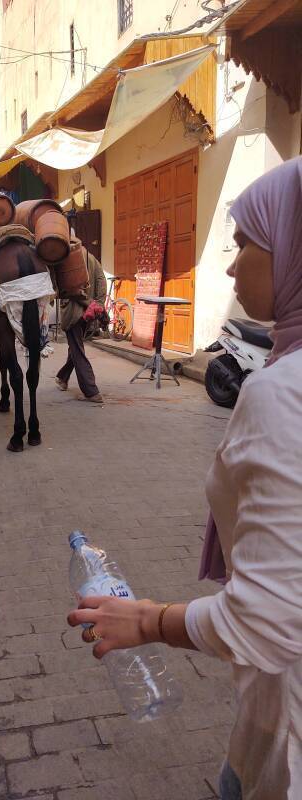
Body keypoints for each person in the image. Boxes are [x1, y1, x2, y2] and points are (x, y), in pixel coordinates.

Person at [67, 157, 302, 800]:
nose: (230, 265)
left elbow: (266, 620)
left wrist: (150, 620)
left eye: (246, 243)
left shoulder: (283, 393)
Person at [55, 247, 106, 403]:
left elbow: (68, 291)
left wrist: (89, 302)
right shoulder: (92, 259)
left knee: (77, 350)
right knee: (75, 346)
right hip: (87, 315)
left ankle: (91, 391)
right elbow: (101, 283)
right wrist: (97, 305)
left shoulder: (67, 260)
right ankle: (62, 378)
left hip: (73, 313)